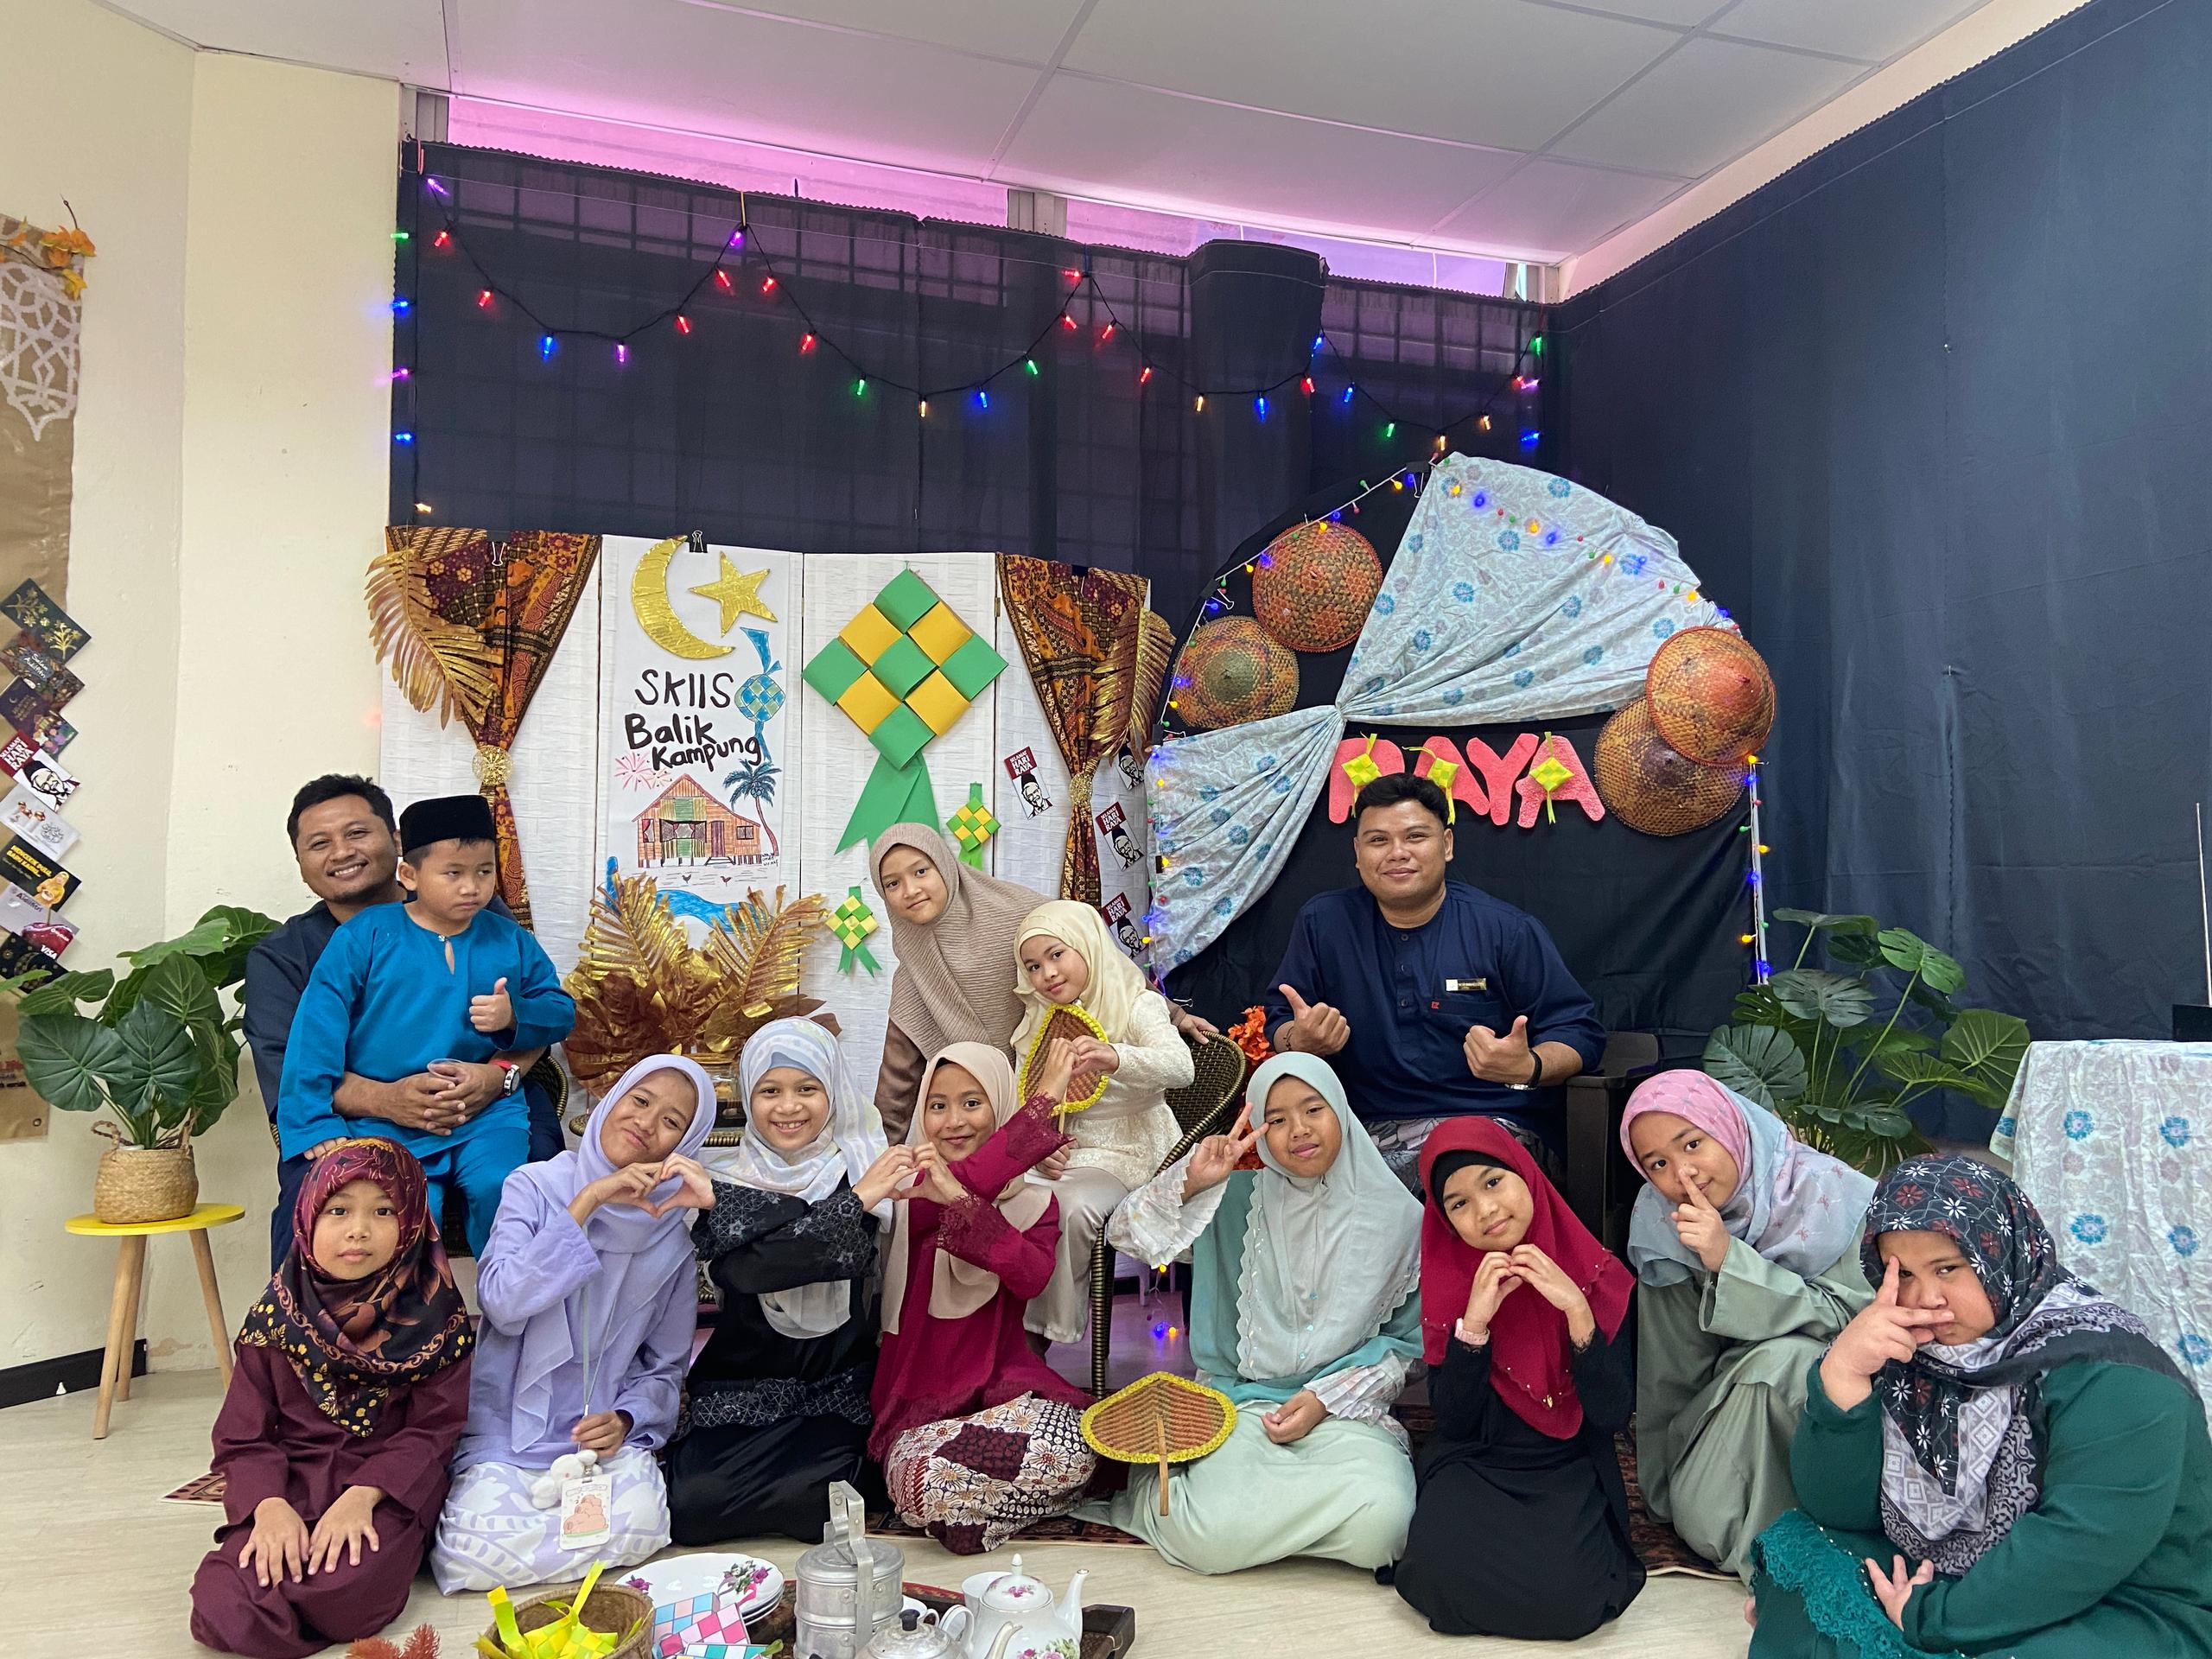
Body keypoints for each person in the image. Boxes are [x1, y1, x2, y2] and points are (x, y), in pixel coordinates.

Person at [1749, 1155, 2212, 1657]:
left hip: (2120, 1605)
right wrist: (1844, 1375)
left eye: (1947, 1268)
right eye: (1903, 1274)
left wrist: (1932, 1616)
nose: (1926, 1298)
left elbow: (2082, 1545)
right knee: (1805, 1554)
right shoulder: (1909, 1350)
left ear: (2001, 1251)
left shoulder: (2111, 1373)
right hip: (1948, 1575)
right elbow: (1840, 1510)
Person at [1086, 1052, 1422, 1573]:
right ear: (1260, 1131)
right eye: (1277, 1119)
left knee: (1386, 1526)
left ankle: (1257, 1522)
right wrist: (1194, 1182)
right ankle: (1170, 1487)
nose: (1299, 1130)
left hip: (1346, 1412)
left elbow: (1406, 1347)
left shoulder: (1401, 1217)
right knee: (1206, 1538)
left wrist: (1325, 1400)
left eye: (1313, 1109)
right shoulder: (1231, 1202)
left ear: (1340, 1110)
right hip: (1243, 1407)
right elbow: (1124, 1235)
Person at [245, 774, 557, 1268]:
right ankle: (331, 1320)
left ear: (396, 842)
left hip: (492, 1100)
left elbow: (539, 1007)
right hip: (359, 1116)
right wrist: (390, 1100)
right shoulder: (284, 957)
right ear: (301, 864)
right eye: (319, 844)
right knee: (317, 1201)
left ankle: (530, 1307)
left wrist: (496, 1077)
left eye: (356, 833)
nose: (341, 852)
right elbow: (293, 1070)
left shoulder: (476, 909)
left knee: (533, 1184)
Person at [429, 1055, 715, 1591]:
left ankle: (560, 1551)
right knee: (469, 1554)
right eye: (640, 1100)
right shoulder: (533, 1186)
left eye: (672, 1122)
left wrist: (626, 1419)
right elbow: (503, 1301)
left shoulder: (672, 1237)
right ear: (611, 1101)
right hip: (509, 1433)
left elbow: (665, 1366)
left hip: (598, 1444)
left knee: (644, 1525)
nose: (646, 1123)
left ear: (683, 1145)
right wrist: (589, 1201)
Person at [188, 1141, 473, 1658]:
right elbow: (243, 1436)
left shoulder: (436, 1317)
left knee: (345, 1594)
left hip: (388, 1485)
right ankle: (285, 1597)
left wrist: (363, 1497)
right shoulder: (276, 1317)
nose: (358, 1230)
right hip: (291, 1481)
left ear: (412, 1221)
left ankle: (308, 1599)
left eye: (383, 1211)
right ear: (307, 1217)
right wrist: (269, 1508)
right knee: (220, 1604)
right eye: (338, 1210)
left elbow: (434, 1430)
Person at [1254, 772, 1605, 1189]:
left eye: (1415, 836)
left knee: (1458, 1185)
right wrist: (1300, 1039)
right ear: (1358, 853)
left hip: (1486, 1123)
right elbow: (1281, 1020)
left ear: (1447, 845)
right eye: (1378, 840)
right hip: (1359, 1127)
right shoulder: (1324, 923)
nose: (1397, 853)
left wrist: (1529, 1066)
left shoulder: (1505, 930)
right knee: (1282, 1189)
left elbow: (1579, 1032)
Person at [1390, 1118, 1643, 1639]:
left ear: (1526, 1175)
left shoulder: (1598, 1274)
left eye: (1493, 1182)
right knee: (1434, 1576)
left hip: (1567, 1462)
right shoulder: (1452, 1282)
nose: (1485, 1210)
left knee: (1570, 1602)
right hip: (1479, 1459)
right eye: (1459, 1203)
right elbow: (1455, 1423)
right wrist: (1474, 1326)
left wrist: (1577, 1311)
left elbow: (1611, 1414)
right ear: (1445, 1220)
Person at [1619, 1071, 1874, 1578]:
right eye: (1658, 1164)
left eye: (1693, 1143)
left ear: (1730, 1127)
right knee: (1703, 1515)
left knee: (1791, 1362)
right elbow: (1669, 1370)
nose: (1683, 1173)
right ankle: (1783, 1561)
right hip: (1726, 1415)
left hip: (1841, 1417)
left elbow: (1853, 1322)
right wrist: (1663, 1490)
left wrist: (1729, 1261)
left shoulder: (1829, 1194)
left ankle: (1813, 1545)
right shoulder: (1664, 1221)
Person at [668, 1018, 913, 1544]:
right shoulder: (724, 1176)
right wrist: (852, 1205)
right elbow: (746, 1271)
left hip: (833, 1386)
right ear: (747, 1097)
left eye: (807, 1089)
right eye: (769, 1091)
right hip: (739, 1386)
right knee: (691, 1507)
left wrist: (731, 1209)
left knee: (824, 1507)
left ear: (833, 1093)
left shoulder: (859, 1168)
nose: (788, 1107)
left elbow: (824, 1255)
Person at [869, 1039, 1096, 1554]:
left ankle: (980, 1503)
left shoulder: (1037, 1203)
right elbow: (974, 1179)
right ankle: (980, 1498)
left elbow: (1031, 1277)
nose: (954, 1122)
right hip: (922, 1414)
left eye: (972, 1103)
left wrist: (961, 1200)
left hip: (1006, 1396)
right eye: (938, 1105)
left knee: (1079, 1446)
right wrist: (1043, 1103)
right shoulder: (908, 1191)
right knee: (927, 1482)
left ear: (999, 1107)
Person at [869, 821, 1213, 1138]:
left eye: (921, 871)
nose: (910, 890)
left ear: (945, 866)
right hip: (986, 1122)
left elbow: (1100, 960)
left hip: (1071, 1105)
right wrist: (879, 1163)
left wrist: (1174, 1014)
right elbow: (897, 1081)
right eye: (892, 884)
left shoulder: (1015, 913)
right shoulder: (914, 970)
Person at [1010, 899, 1193, 1351]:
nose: (1047, 974)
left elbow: (1181, 1067)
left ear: (1088, 945)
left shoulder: (1136, 1003)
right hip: (1067, 1153)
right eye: (1033, 966)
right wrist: (1040, 1145)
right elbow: (1027, 1100)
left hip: (1132, 1148)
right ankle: (994, 1338)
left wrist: (1116, 1057)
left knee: (1067, 1205)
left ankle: (1038, 1342)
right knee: (1003, 1196)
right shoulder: (1039, 1020)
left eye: (1057, 954)